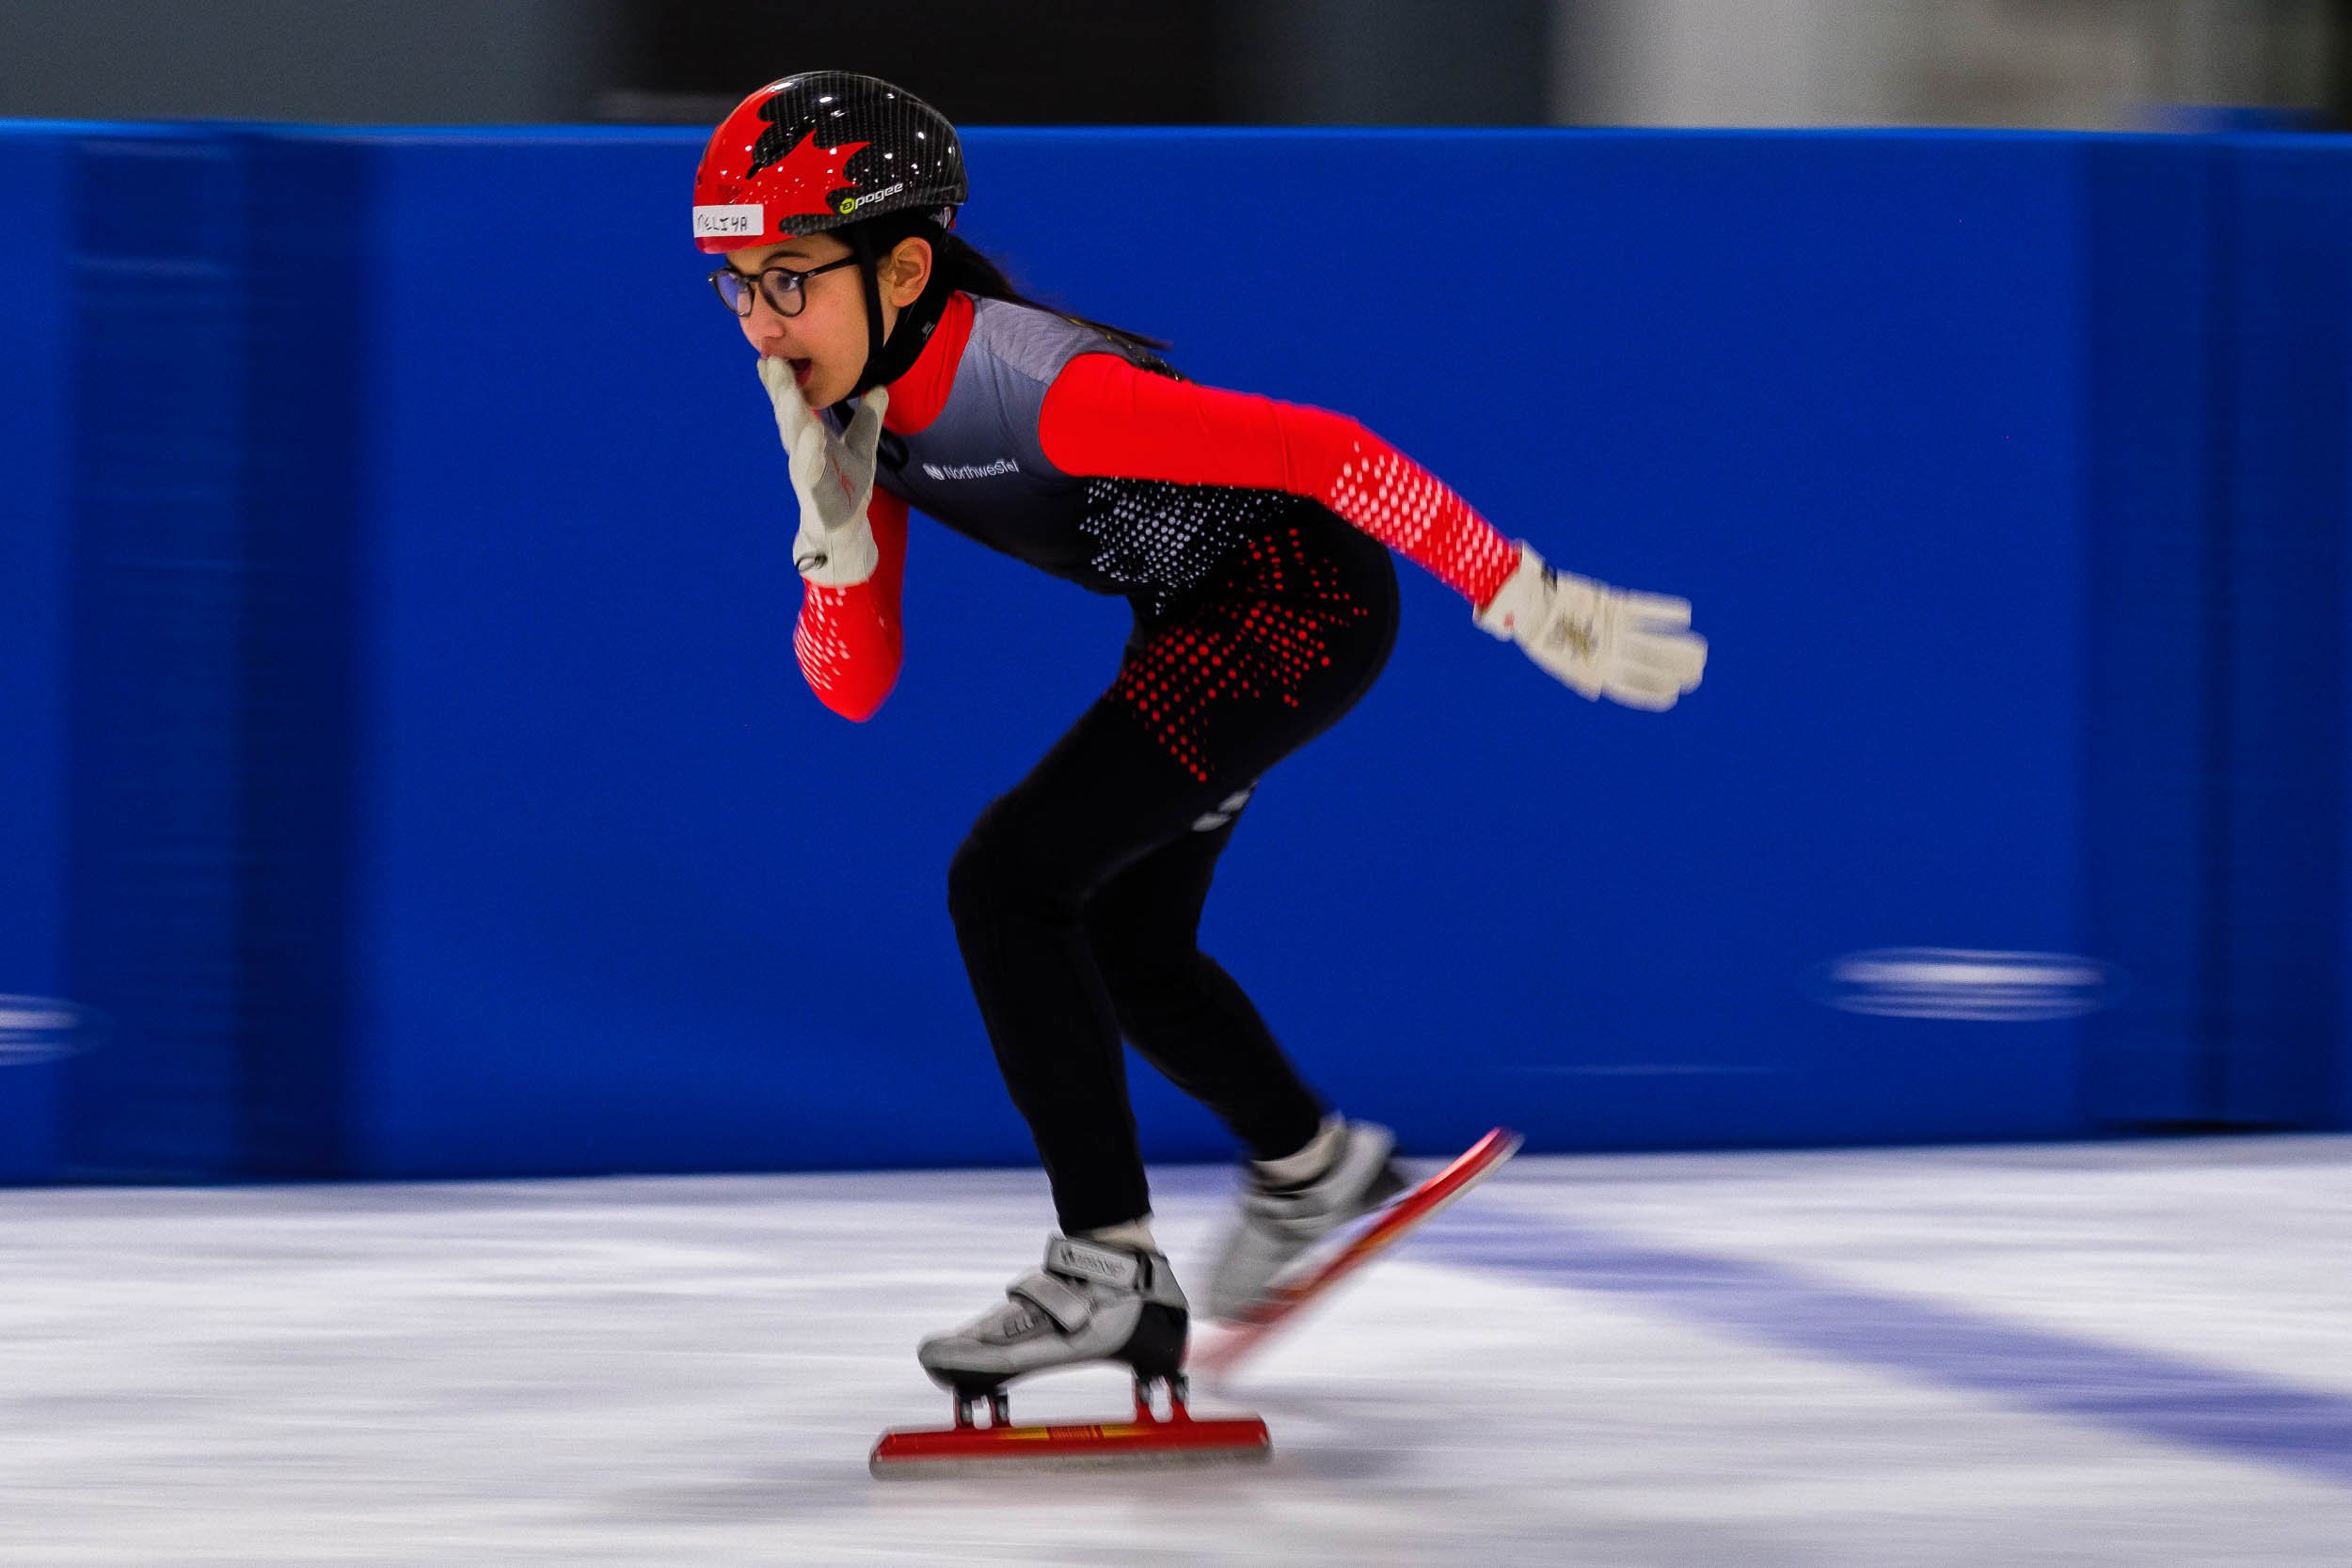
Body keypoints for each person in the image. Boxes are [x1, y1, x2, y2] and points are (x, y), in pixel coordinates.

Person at [692, 71, 1706, 1407]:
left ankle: (1105, 1269)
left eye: (789, 279)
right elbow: (855, 686)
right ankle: (1308, 1163)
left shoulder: (1034, 386)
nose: (763, 326)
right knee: (1125, 940)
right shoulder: (853, 426)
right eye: (735, 286)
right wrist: (827, 548)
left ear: (905, 267)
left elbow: (1327, 452)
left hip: (1297, 604)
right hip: (1200, 622)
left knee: (1009, 880)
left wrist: (1517, 591)